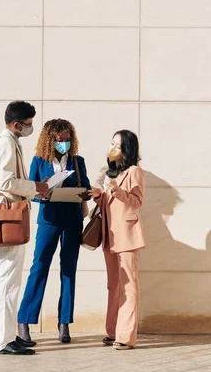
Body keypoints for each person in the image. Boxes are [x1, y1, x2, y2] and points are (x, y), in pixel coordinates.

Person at [0, 101, 49, 355]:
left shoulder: (9, 141)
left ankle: (9, 335)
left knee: (10, 280)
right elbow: (5, 182)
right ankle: (3, 341)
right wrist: (36, 188)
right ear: (16, 123)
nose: (30, 128)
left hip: (10, 219)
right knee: (7, 280)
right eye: (28, 124)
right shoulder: (6, 142)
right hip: (7, 220)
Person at [17, 119, 91, 345]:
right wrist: (42, 193)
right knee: (39, 267)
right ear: (51, 140)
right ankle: (24, 321)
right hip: (49, 219)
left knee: (69, 270)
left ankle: (64, 322)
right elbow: (30, 190)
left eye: (68, 140)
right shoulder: (39, 161)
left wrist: (83, 193)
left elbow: (86, 189)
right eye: (60, 140)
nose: (64, 144)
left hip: (72, 219)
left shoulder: (78, 161)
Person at [88, 130, 145, 350]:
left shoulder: (135, 171)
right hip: (110, 235)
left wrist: (116, 189)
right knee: (113, 285)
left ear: (127, 149)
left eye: (118, 145)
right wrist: (98, 195)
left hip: (128, 235)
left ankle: (126, 336)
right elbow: (108, 203)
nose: (112, 148)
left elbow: (136, 201)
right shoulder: (111, 173)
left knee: (129, 286)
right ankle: (112, 331)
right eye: (111, 143)